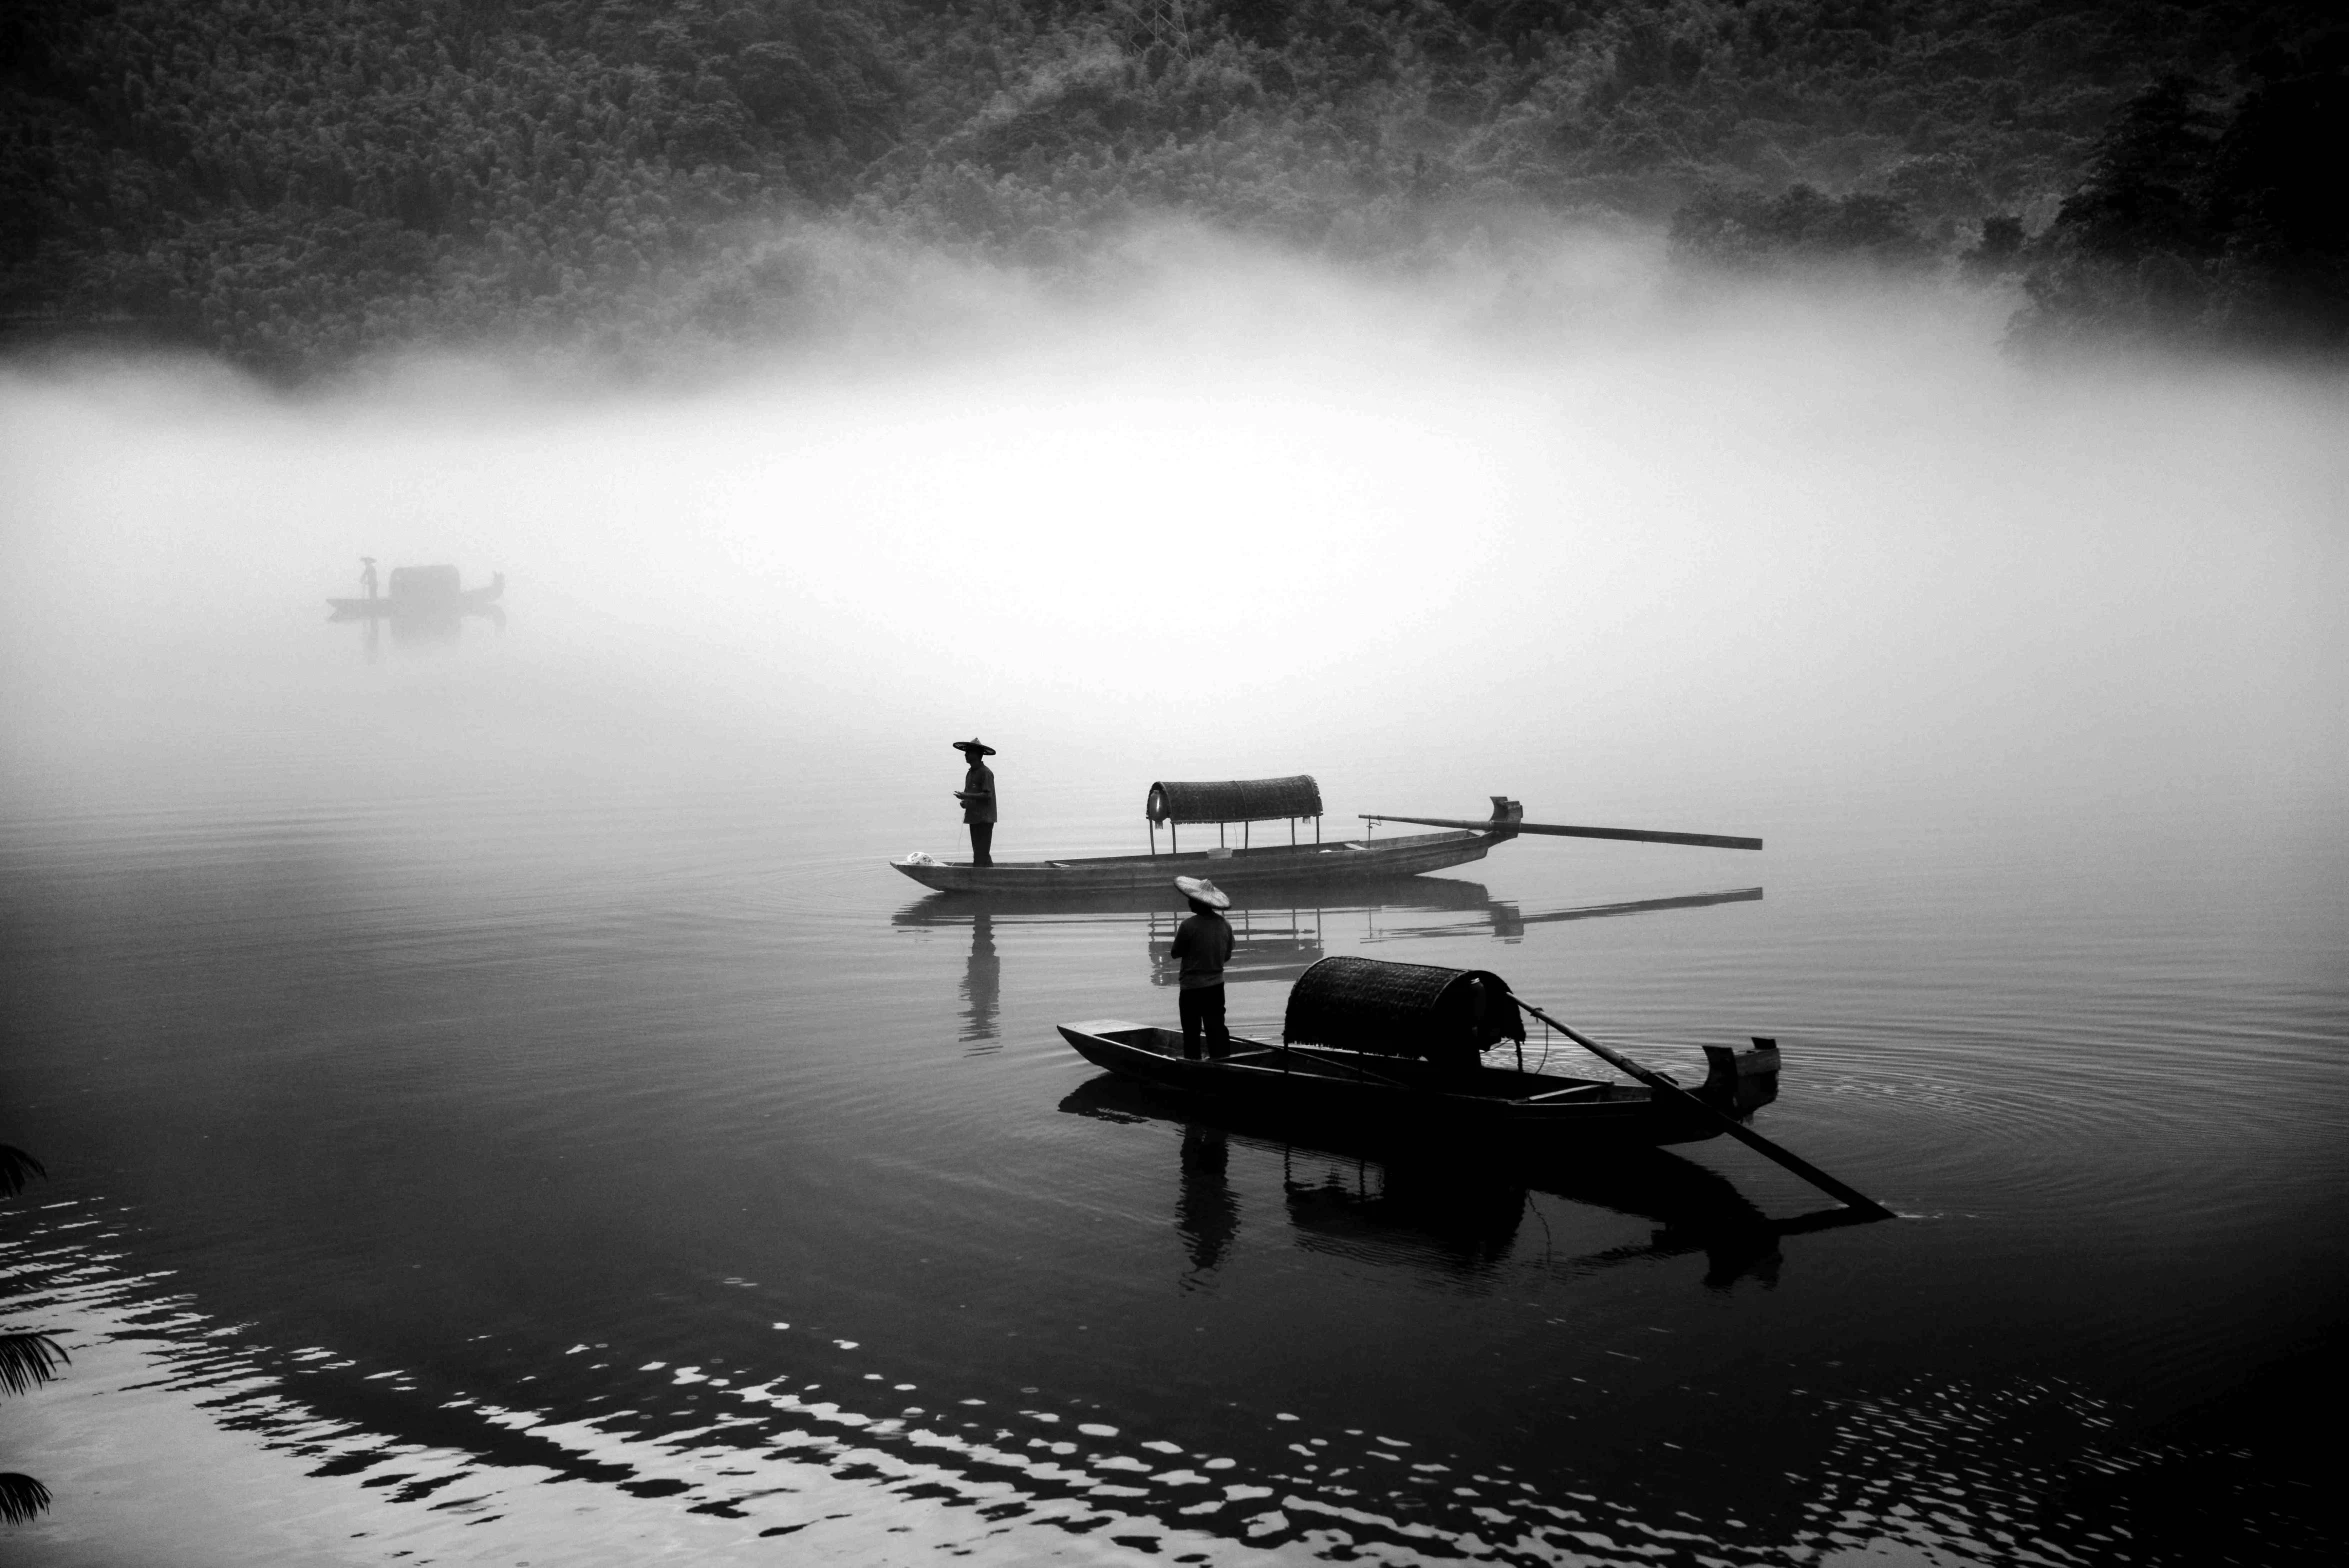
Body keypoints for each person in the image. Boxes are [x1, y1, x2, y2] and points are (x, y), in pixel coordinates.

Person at [1169, 875, 1235, 1060]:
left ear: (1198, 903)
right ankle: (1222, 1062)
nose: (1189, 902)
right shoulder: (1225, 925)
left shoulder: (1188, 926)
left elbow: (1175, 952)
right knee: (1216, 1028)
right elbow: (1227, 956)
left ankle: (1192, 1064)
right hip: (1216, 986)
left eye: (1192, 900)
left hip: (1192, 988)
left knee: (1191, 1031)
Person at [952, 739, 997, 866]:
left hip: (984, 818)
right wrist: (965, 802)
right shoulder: (970, 773)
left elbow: (988, 795)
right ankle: (987, 877)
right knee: (978, 851)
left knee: (981, 852)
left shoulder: (986, 773)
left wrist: (966, 795)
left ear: (976, 755)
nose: (965, 755)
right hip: (974, 817)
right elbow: (971, 795)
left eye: (968, 752)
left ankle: (985, 878)